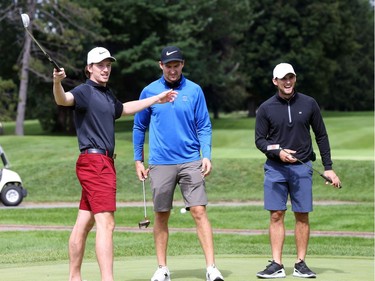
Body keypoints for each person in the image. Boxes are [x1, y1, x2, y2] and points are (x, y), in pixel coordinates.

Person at [52, 46, 177, 281]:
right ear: (89, 68)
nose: (106, 69)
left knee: (84, 223)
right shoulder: (84, 92)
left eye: (108, 65)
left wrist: (157, 99)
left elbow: (125, 108)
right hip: (95, 162)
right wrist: (57, 82)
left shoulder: (107, 94)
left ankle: (73, 277)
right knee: (106, 223)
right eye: (101, 65)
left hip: (101, 162)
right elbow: (63, 99)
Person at [133, 46, 224, 281]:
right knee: (161, 214)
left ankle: (211, 268)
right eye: (168, 66)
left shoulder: (194, 90)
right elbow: (139, 126)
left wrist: (207, 154)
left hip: (191, 160)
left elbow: (204, 125)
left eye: (176, 65)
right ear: (160, 65)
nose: (172, 70)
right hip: (160, 162)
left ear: (182, 64)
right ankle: (162, 268)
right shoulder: (149, 91)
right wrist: (138, 160)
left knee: (199, 211)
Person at [255, 63, 341, 279]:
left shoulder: (309, 103)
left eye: (291, 77)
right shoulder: (266, 108)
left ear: (295, 78)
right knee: (276, 214)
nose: (287, 82)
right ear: (275, 81)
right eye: (283, 78)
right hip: (275, 168)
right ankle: (276, 264)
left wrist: (328, 167)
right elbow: (260, 140)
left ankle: (300, 263)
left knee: (302, 215)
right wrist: (278, 152)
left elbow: (321, 135)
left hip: (302, 169)